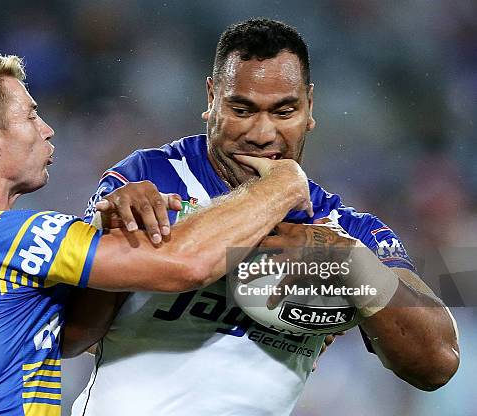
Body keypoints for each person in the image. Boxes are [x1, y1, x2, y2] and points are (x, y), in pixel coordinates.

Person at [72, 18, 460, 416]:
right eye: (241, 109)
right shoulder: (150, 178)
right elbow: (70, 338)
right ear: (211, 99)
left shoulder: (345, 230)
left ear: (310, 107)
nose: (262, 133)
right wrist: (111, 245)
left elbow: (438, 363)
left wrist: (352, 264)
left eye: (284, 111)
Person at [0, 52, 316, 415]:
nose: (46, 129)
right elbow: (187, 265)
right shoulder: (5, 237)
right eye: (29, 115)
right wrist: (279, 188)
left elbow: (75, 338)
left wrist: (113, 225)